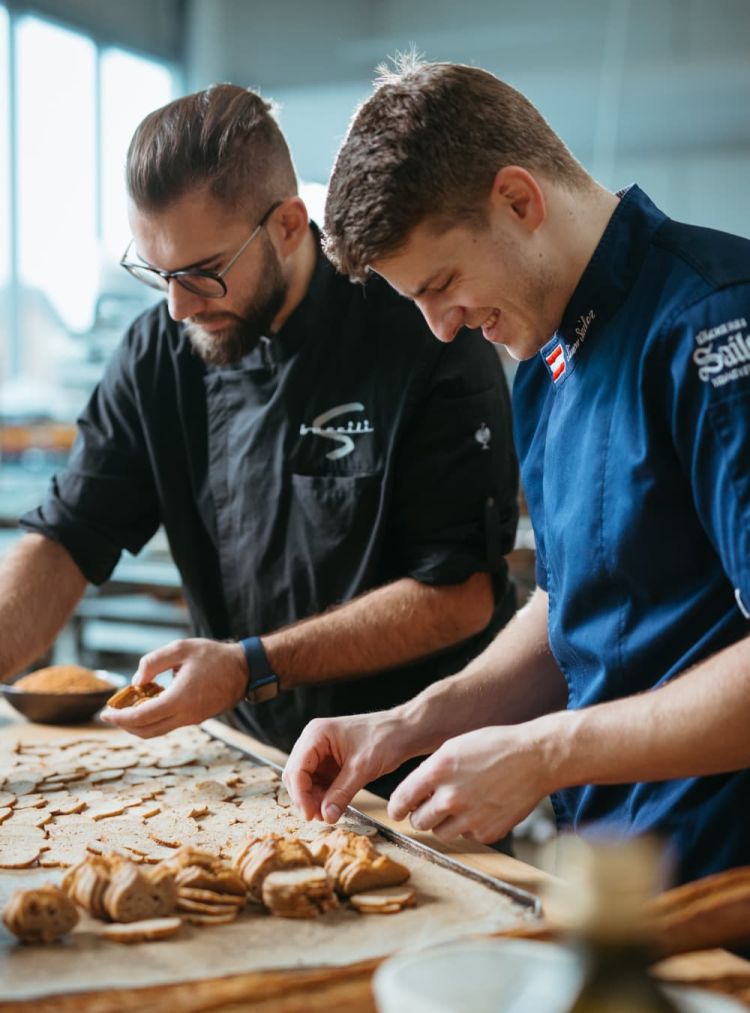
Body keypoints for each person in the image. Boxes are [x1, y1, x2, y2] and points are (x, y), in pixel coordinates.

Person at [283, 58, 750, 884]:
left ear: (519, 201)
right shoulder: (545, 359)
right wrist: (407, 723)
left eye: (444, 283)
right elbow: (572, 604)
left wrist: (541, 753)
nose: (440, 330)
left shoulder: (716, 324)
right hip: (618, 881)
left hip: (726, 885)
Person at [0, 83, 519, 797]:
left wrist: (252, 663)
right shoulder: (162, 349)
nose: (179, 306)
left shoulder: (421, 329)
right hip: (247, 767)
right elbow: (66, 537)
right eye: (159, 274)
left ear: (287, 226)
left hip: (418, 776)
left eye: (203, 273)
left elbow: (460, 593)